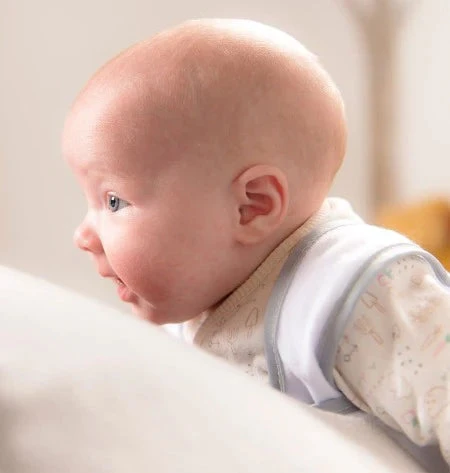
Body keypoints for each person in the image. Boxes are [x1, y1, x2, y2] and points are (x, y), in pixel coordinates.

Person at [62, 19, 450, 470]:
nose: (82, 235)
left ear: (252, 206)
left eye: (114, 201)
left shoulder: (356, 293)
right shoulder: (197, 307)